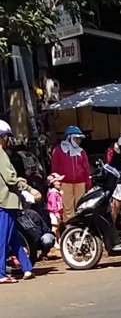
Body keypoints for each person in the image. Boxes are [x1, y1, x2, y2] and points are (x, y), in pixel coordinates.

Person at [0, 120, 41, 283]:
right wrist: (29, 188)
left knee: (13, 237)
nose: (9, 140)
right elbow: (10, 178)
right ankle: (1, 274)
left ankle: (26, 268)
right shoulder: (0, 153)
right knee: (3, 238)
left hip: (7, 200)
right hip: (5, 201)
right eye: (7, 137)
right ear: (2, 137)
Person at [51, 126, 91, 222]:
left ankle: (79, 232)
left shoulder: (81, 152)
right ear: (69, 137)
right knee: (68, 209)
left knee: (81, 207)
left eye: (79, 139)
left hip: (80, 183)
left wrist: (89, 184)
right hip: (65, 183)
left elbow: (87, 169)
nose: (78, 141)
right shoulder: (58, 151)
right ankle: (70, 231)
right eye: (76, 138)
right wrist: (55, 181)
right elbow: (54, 168)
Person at [46, 173, 64, 247]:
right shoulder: (53, 193)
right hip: (54, 213)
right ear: (53, 183)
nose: (60, 183)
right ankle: (53, 242)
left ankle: (59, 241)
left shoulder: (56, 193)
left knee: (57, 228)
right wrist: (56, 213)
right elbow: (53, 204)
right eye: (58, 181)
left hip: (57, 212)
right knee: (55, 227)